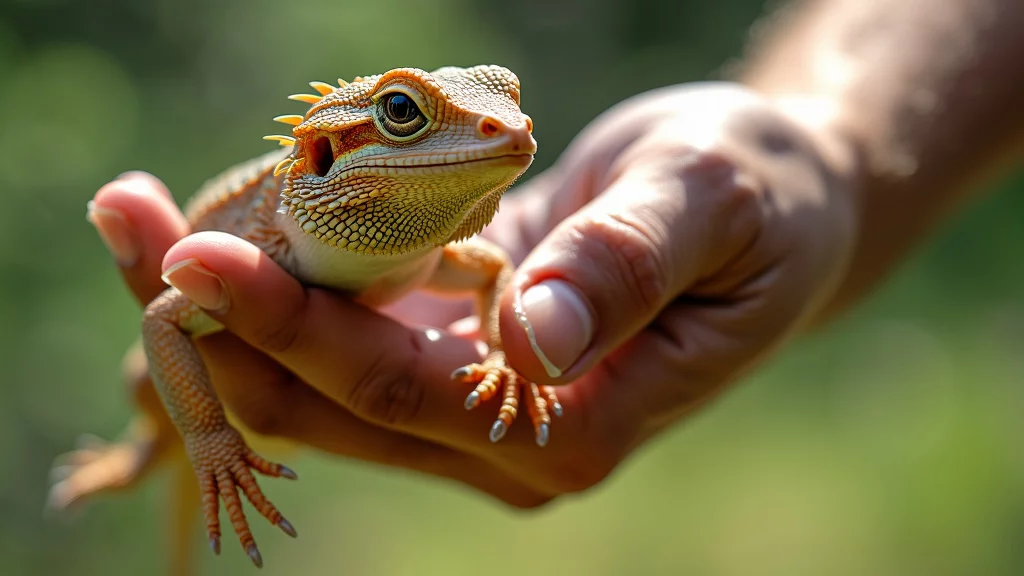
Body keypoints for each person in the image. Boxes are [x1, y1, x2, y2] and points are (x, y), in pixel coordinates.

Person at [85, 0, 1024, 507]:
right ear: (331, 152)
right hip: (201, 373)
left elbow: (491, 271)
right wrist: (203, 438)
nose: (505, 128)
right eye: (408, 118)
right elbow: (172, 318)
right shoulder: (270, 238)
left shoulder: (447, 257)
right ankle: (138, 458)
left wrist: (504, 352)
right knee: (149, 372)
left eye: (500, 100)